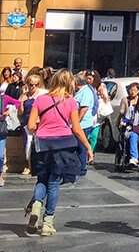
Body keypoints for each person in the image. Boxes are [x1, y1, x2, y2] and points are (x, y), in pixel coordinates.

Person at [25, 69, 94, 237]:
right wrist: (88, 148)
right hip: (63, 145)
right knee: (54, 182)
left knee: (42, 178)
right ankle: (47, 223)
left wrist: (43, 124)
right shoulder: (71, 102)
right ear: (70, 83)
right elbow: (76, 129)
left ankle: (36, 206)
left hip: (43, 144)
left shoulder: (40, 100)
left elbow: (31, 125)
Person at [73, 73, 98, 175]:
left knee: (81, 147)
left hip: (83, 124)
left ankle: (81, 168)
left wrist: (76, 122)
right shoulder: (81, 91)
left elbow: (84, 108)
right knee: (78, 146)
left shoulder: (86, 92)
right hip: (80, 123)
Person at [1, 87, 20, 186]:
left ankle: (0, 175)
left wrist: (9, 111)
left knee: (0, 156)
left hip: (1, 128)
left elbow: (18, 103)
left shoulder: (4, 98)